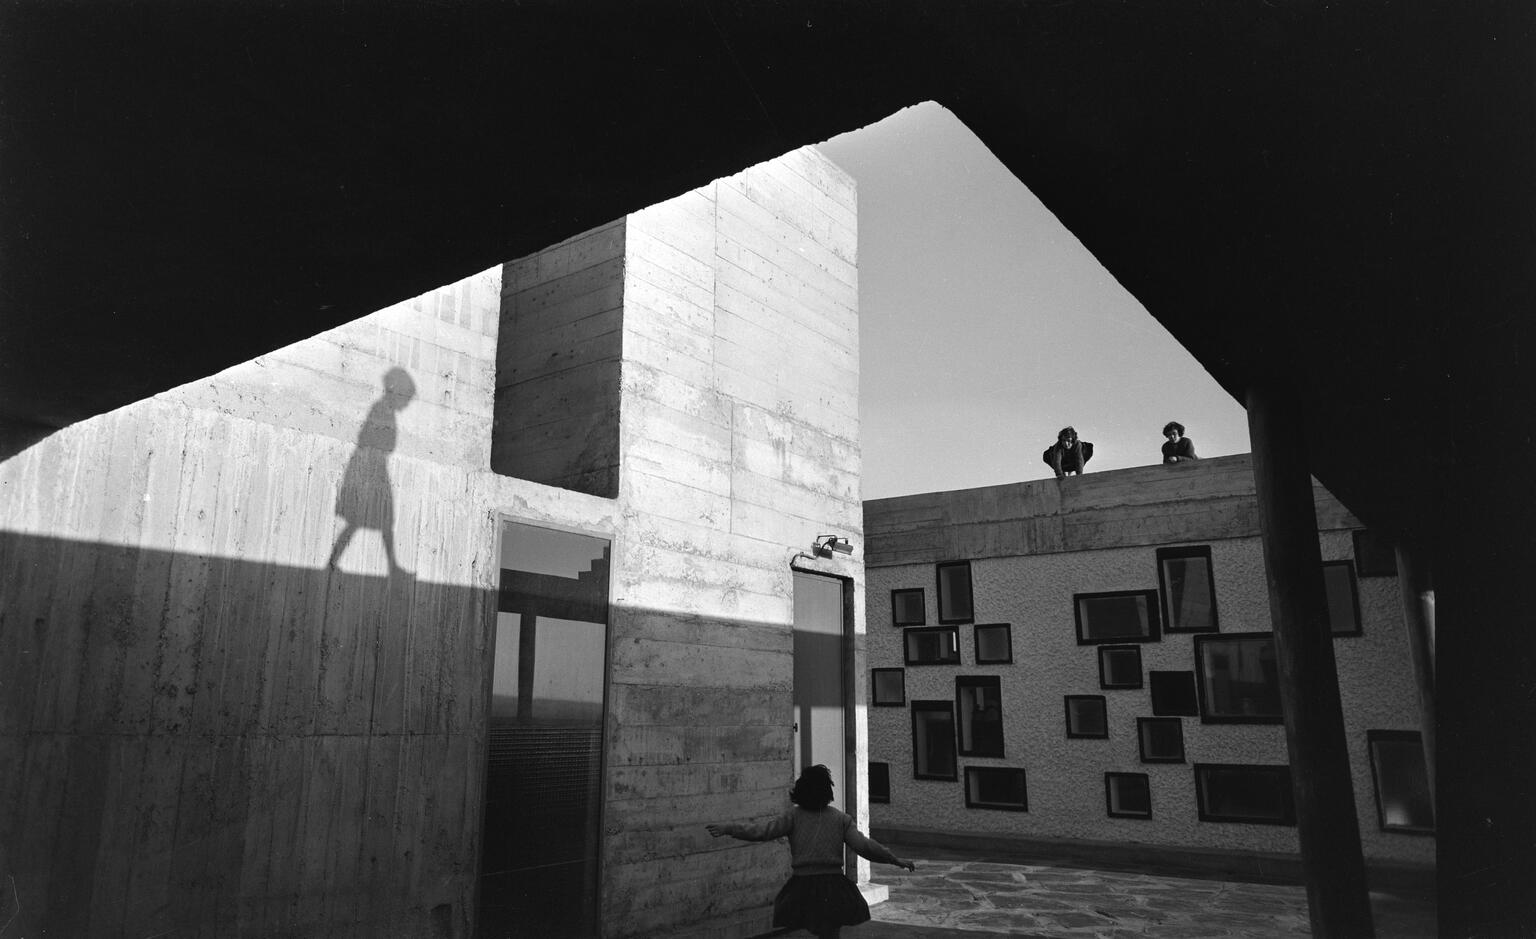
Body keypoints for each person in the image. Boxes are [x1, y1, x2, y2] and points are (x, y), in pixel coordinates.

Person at [707, 765, 915, 938]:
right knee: (831, 934)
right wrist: (894, 860)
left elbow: (762, 831)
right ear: (828, 791)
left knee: (803, 931)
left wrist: (729, 828)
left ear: (801, 789)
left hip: (803, 886)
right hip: (834, 886)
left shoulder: (794, 817)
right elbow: (864, 846)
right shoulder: (841, 819)